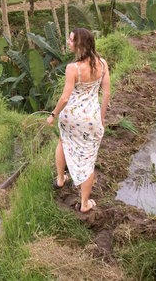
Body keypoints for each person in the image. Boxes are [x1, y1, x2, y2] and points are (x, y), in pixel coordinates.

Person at [46, 27, 111, 213]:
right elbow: (106, 94)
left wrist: (53, 115)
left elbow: (65, 98)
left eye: (71, 40)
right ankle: (84, 203)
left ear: (80, 44)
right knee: (88, 159)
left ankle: (60, 179)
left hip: (70, 116)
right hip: (91, 119)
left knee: (63, 141)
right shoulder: (103, 65)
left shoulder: (72, 68)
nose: (68, 42)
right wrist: (102, 117)